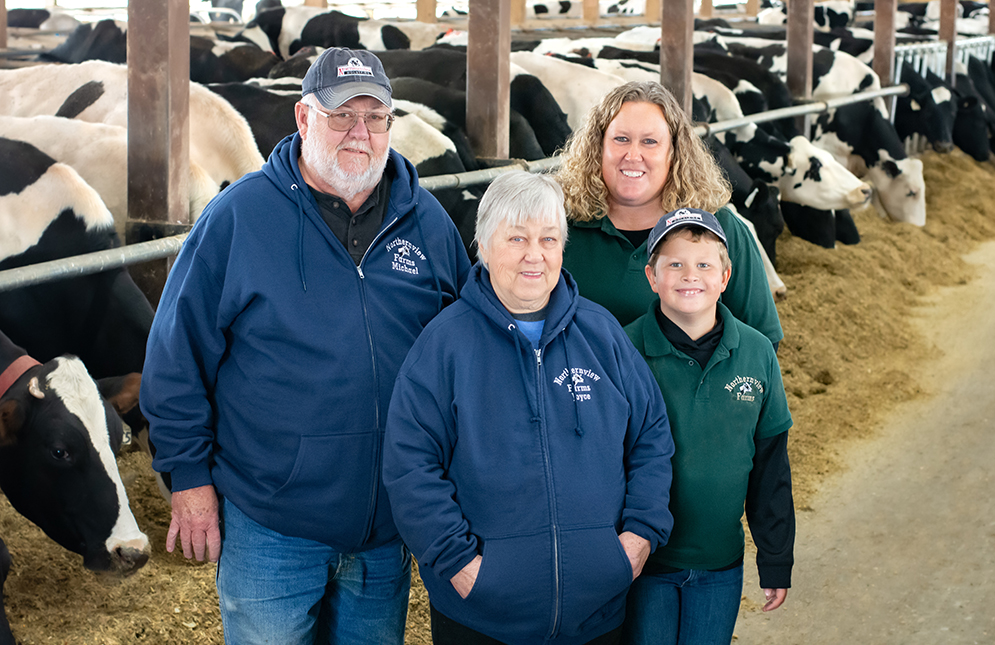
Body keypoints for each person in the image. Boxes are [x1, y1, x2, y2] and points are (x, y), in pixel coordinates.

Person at [139, 47, 471, 644]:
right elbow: (175, 354)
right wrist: (188, 480)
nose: (360, 133)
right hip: (271, 525)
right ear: (302, 118)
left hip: (385, 528)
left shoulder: (427, 222)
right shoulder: (239, 217)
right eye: (343, 115)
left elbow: (465, 352)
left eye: (376, 117)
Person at [382, 171, 675, 645]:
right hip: (480, 616)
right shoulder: (444, 344)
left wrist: (639, 536)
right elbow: (409, 465)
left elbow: (651, 437)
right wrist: (457, 560)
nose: (533, 254)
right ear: (482, 244)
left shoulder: (601, 336)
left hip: (596, 612)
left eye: (548, 238)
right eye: (516, 237)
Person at [621, 208, 794, 645]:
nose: (688, 275)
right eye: (673, 264)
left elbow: (771, 468)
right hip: (643, 563)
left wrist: (775, 559)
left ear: (724, 276)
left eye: (703, 265)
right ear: (652, 276)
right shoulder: (623, 349)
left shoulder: (756, 353)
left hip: (721, 563)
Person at [556, 81, 784, 349]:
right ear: (598, 147)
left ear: (674, 153)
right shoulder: (560, 225)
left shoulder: (720, 228)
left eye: (650, 141)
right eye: (621, 139)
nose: (633, 155)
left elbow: (762, 343)